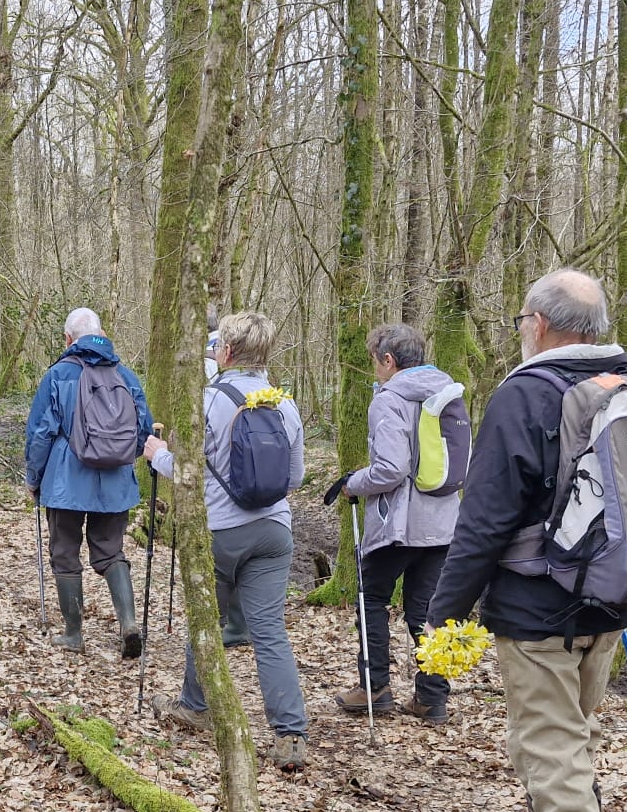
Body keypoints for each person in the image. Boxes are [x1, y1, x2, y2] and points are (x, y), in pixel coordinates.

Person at [424, 268, 627, 812]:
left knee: (550, 745)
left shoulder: (525, 393)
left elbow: (484, 520)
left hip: (536, 606)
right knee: (576, 730)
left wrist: (445, 613)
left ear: (537, 324)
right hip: (614, 597)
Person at [144, 313, 310, 770]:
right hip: (274, 531)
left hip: (218, 531)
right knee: (269, 631)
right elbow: (295, 477)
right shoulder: (285, 406)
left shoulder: (207, 401)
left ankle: (195, 707)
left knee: (206, 620)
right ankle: (290, 734)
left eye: (218, 346)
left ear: (228, 353)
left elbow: (187, 472)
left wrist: (158, 456)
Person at [327, 322, 467, 725]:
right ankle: (431, 698)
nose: (375, 368)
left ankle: (374, 688)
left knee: (371, 599)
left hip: (398, 526)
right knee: (427, 609)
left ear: (388, 360)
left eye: (376, 360)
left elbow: (390, 469)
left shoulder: (390, 400)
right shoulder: (447, 393)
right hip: (443, 522)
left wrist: (353, 484)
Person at [25, 307, 154, 656]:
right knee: (111, 551)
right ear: (101, 334)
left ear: (68, 339)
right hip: (115, 483)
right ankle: (129, 623)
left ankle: (73, 634)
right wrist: (120, 457)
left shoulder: (58, 375)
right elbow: (143, 431)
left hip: (65, 482)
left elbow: (41, 433)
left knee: (65, 553)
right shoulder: (126, 376)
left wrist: (34, 478)